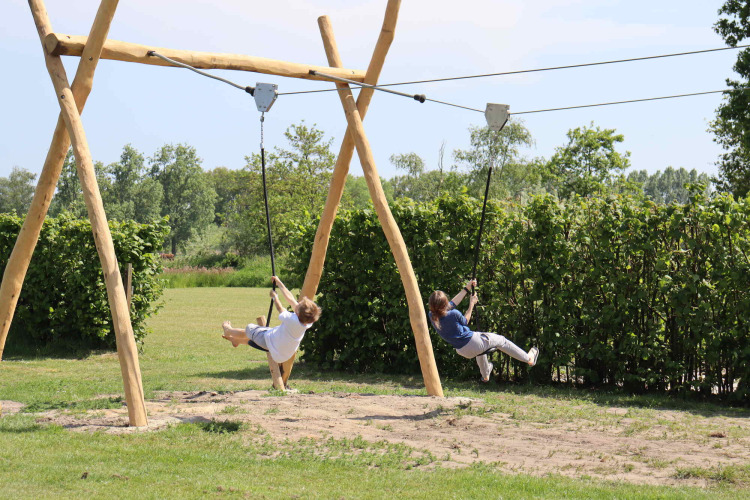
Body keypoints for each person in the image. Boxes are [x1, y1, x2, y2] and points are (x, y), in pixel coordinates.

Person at [428, 279, 538, 383]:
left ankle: (485, 375)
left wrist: (467, 288)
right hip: (473, 342)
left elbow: (453, 303)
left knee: (480, 349)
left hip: (462, 351)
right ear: (444, 303)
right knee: (502, 341)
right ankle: (529, 359)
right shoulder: (453, 314)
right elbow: (465, 321)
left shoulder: (432, 316)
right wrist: (471, 304)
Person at [222, 276, 321, 363]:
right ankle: (236, 341)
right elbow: (291, 299)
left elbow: (280, 308)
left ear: (298, 313)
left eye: (299, 305)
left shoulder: (292, 320)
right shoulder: (307, 323)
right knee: (256, 337)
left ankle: (228, 330)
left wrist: (275, 297)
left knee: (250, 329)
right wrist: (279, 283)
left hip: (271, 343)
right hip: (283, 353)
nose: (297, 304)